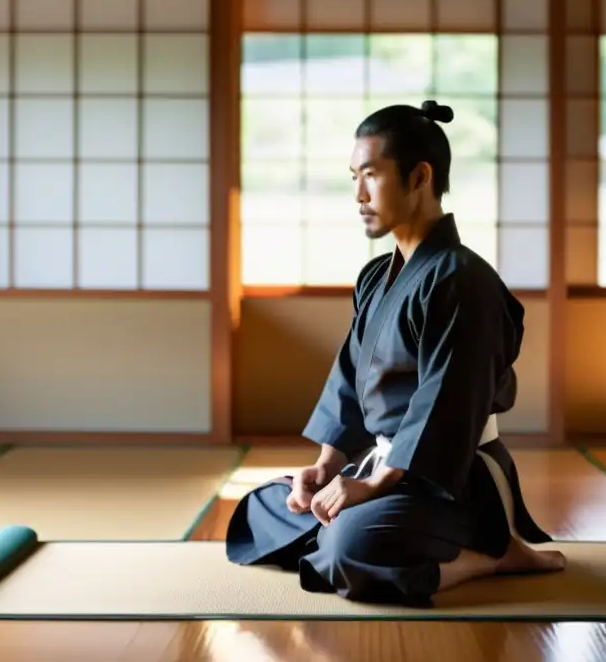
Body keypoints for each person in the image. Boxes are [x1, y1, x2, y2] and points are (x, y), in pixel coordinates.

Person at [225, 99, 566, 607]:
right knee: (264, 508)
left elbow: (447, 402)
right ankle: (353, 532)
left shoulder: (461, 280)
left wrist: (373, 485)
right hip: (383, 464)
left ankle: (494, 555)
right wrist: (325, 467)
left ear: (418, 177)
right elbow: (350, 379)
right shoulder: (374, 277)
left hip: (450, 477)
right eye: (353, 177)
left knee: (350, 546)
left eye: (371, 175)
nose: (358, 194)